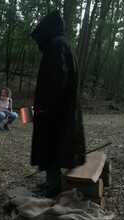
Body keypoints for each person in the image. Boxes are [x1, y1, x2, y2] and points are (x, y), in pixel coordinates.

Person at [30, 10, 86, 198]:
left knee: (51, 146)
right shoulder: (65, 45)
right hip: (62, 109)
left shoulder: (56, 46)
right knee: (56, 145)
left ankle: (52, 186)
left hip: (54, 111)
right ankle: (53, 183)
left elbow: (56, 81)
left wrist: (45, 108)